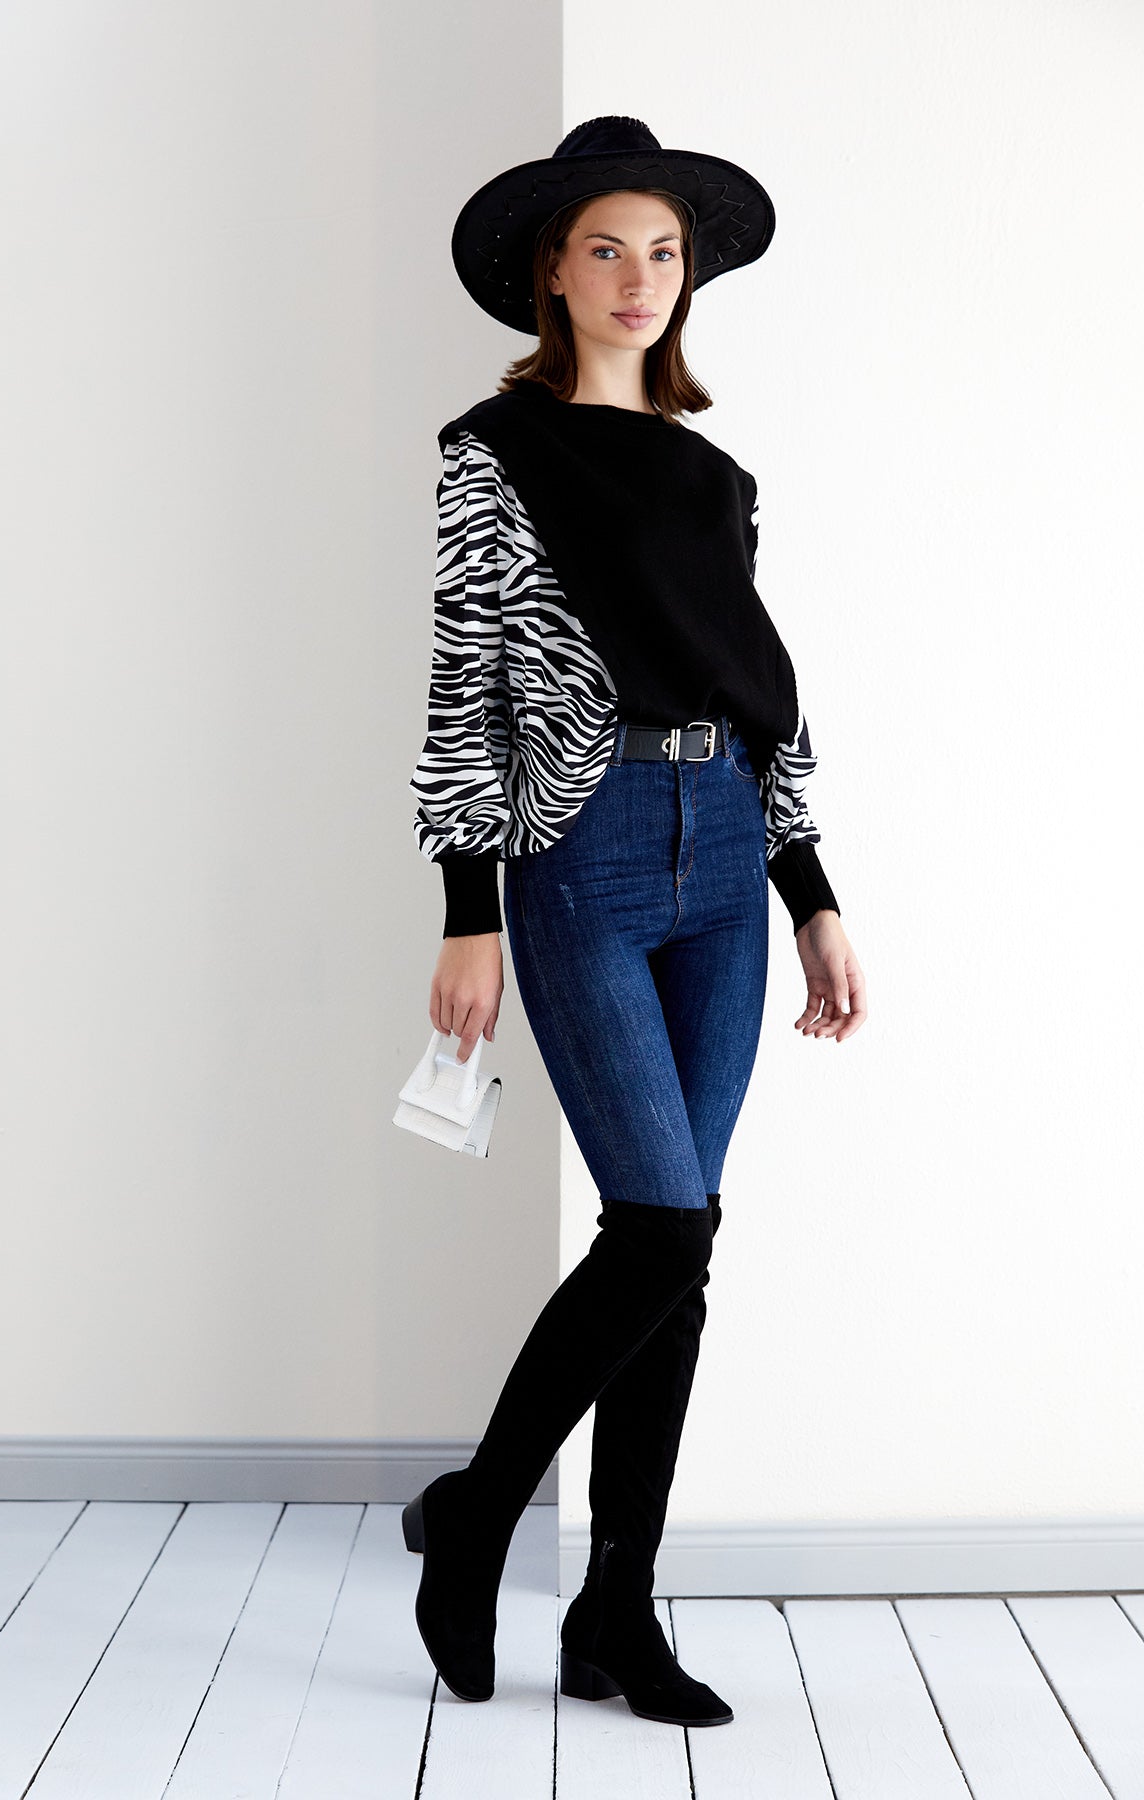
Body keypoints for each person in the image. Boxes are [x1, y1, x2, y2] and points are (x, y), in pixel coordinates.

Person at [401, 116, 868, 1729]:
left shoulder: (719, 479)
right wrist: (468, 911)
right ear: (552, 272)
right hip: (583, 853)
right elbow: (467, 685)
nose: (638, 278)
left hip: (725, 851)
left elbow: (760, 697)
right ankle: (478, 1517)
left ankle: (615, 1611)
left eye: (662, 252)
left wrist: (813, 895)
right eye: (605, 248)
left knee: (681, 1245)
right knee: (658, 1230)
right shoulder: (496, 451)